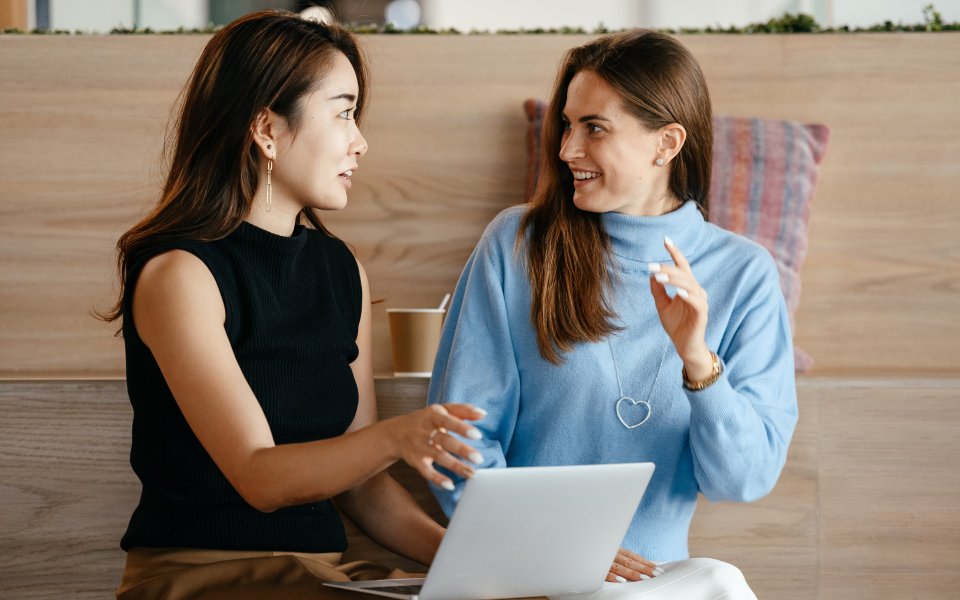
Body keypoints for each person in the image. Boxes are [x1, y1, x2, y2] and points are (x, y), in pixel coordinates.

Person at [99, 11, 485, 599]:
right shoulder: (181, 275)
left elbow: (362, 488)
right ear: (267, 130)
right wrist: (396, 437)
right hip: (201, 576)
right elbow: (259, 476)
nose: (360, 141)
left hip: (323, 575)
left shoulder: (341, 270)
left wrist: (483, 563)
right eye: (344, 111)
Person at [428, 29, 798, 598]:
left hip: (656, 585)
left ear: (667, 142)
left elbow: (743, 480)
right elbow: (458, 441)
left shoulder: (744, 274)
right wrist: (553, 552)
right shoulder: (517, 244)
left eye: (594, 128)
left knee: (720, 581)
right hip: (525, 574)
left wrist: (699, 362)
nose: (567, 149)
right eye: (567, 124)